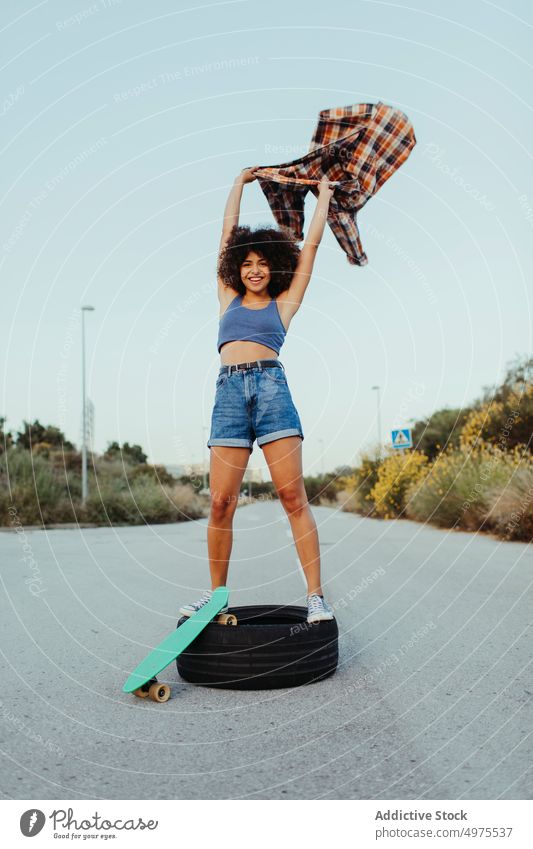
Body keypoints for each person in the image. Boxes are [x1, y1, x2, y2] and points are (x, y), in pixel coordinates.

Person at [180, 167, 335, 624]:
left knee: (293, 498)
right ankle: (216, 598)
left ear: (273, 267)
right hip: (228, 394)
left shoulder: (283, 304)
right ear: (237, 269)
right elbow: (227, 234)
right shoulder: (226, 294)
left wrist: (323, 195)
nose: (253, 269)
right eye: (246, 264)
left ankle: (315, 599)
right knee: (220, 502)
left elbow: (311, 249)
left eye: (262, 263)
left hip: (271, 389)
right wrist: (238, 184)